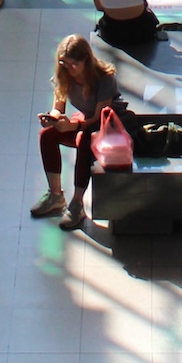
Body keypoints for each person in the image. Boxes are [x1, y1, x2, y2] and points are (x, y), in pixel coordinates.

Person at [32, 33, 124, 229]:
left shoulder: (104, 78)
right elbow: (59, 106)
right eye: (66, 64)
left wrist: (72, 126)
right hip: (84, 122)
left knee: (83, 139)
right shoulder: (64, 75)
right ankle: (55, 195)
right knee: (47, 136)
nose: (71, 69)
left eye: (75, 64)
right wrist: (53, 118)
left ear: (86, 61)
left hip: (106, 126)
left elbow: (99, 117)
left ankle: (77, 203)